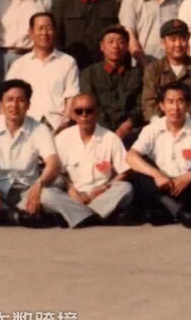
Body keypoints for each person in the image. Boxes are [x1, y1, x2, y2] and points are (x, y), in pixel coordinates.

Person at [0, 79, 95, 228]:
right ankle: (14, 215)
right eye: (9, 100)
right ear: (0, 104)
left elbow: (53, 162)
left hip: (27, 191)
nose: (14, 105)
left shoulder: (39, 129)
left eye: (20, 100)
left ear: (28, 105)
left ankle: (2, 215)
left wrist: (38, 185)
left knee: (48, 194)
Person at [126, 82, 191, 229]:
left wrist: (189, 177)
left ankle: (168, 212)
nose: (175, 108)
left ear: (188, 105)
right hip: (160, 187)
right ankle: (178, 211)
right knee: (139, 167)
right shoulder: (151, 129)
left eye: (180, 101)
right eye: (170, 102)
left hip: (188, 186)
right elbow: (131, 157)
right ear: (162, 105)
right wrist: (157, 175)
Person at [54, 93, 136, 224]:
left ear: (97, 112)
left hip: (102, 194)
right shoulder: (62, 138)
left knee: (126, 188)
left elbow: (124, 171)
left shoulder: (110, 138)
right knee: (46, 194)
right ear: (73, 115)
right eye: (79, 111)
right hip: (73, 195)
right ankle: (92, 215)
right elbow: (58, 172)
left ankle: (79, 215)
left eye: (89, 111)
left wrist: (105, 187)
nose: (84, 115)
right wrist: (71, 191)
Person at [7, 12, 79, 131]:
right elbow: (7, 97)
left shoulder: (68, 62)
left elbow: (72, 97)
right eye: (40, 28)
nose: (44, 33)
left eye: (49, 28)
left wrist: (64, 125)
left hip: (57, 125)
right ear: (31, 33)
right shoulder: (19, 64)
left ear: (55, 32)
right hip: (25, 125)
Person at [141, 19, 191, 123]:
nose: (178, 44)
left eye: (183, 39)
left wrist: (182, 118)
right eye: (173, 40)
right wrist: (160, 123)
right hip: (160, 124)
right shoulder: (153, 69)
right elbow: (149, 102)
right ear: (163, 42)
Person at [79, 25, 143, 143]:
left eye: (121, 42)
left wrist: (126, 126)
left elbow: (141, 105)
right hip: (98, 130)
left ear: (127, 47)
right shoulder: (89, 74)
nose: (115, 46)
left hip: (130, 131)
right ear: (102, 46)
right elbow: (91, 105)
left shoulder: (137, 74)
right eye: (110, 42)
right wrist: (110, 134)